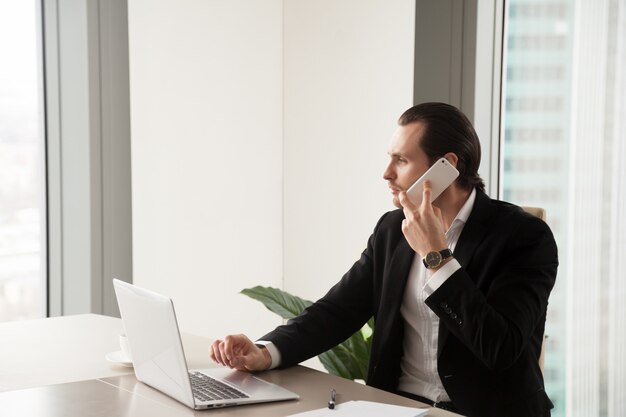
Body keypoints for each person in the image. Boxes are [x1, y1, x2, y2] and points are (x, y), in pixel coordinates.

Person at [210, 102, 558, 417]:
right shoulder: (393, 229)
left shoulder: (524, 237)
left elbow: (501, 348)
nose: (386, 173)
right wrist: (265, 352)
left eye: (401, 160)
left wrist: (436, 256)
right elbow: (338, 311)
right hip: (401, 408)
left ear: (447, 167)